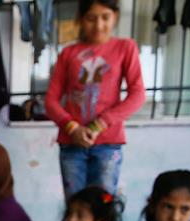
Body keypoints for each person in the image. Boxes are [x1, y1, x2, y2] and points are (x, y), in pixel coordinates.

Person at [45, 0, 145, 199]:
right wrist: (72, 128)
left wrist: (100, 123)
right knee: (75, 208)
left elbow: (137, 95)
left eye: (105, 17)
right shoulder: (68, 54)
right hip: (71, 145)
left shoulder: (125, 48)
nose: (99, 25)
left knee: (103, 207)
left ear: (115, 16)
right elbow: (51, 101)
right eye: (91, 18)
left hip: (108, 146)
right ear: (81, 20)